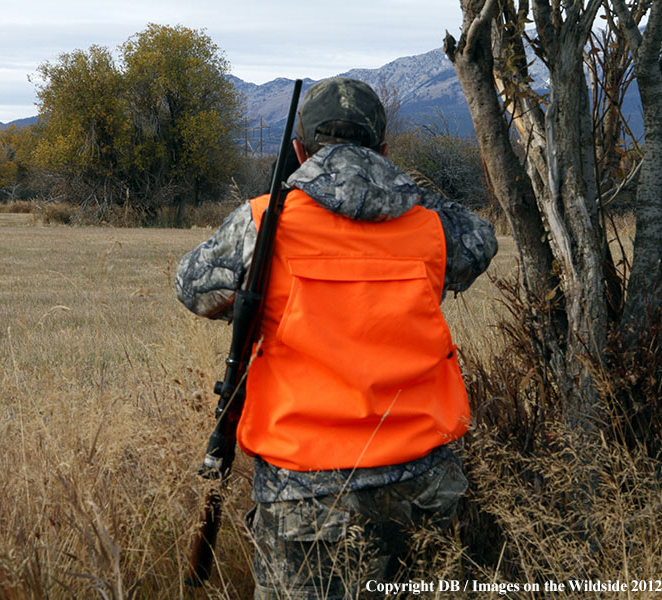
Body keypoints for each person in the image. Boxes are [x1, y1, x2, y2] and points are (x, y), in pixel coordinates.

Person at [175, 77, 497, 599]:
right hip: (425, 482)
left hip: (305, 491)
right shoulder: (431, 225)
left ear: (300, 151)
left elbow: (191, 286)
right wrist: (400, 185)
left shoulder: (265, 223)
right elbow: (480, 242)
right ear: (386, 151)